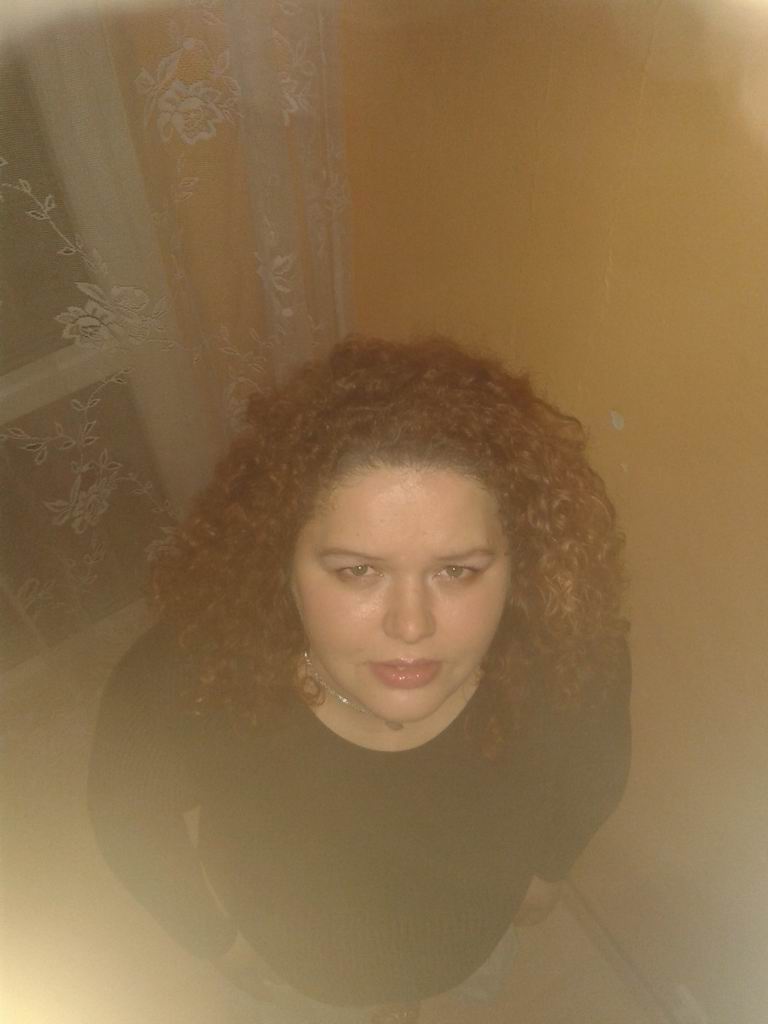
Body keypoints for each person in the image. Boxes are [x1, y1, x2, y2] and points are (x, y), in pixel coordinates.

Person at [88, 335, 631, 1023]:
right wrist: (214, 940)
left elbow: (598, 767)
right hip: (295, 970)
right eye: (357, 571)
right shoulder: (190, 682)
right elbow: (126, 818)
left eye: (456, 570)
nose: (411, 625)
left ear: (520, 565)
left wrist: (551, 868)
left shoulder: (565, 657)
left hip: (469, 946)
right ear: (281, 565)